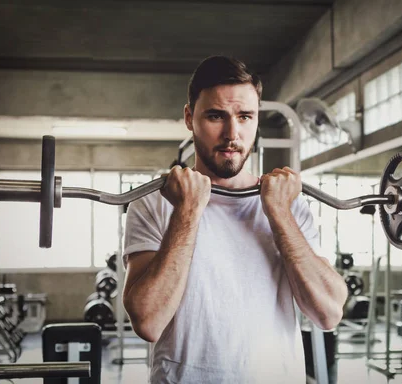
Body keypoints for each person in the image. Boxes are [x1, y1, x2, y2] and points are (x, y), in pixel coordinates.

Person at [122, 55, 348, 384]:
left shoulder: (289, 206)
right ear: (190, 118)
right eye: (216, 116)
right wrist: (187, 212)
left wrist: (279, 214)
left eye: (245, 116)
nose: (232, 133)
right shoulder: (154, 203)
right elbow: (148, 322)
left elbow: (328, 313)